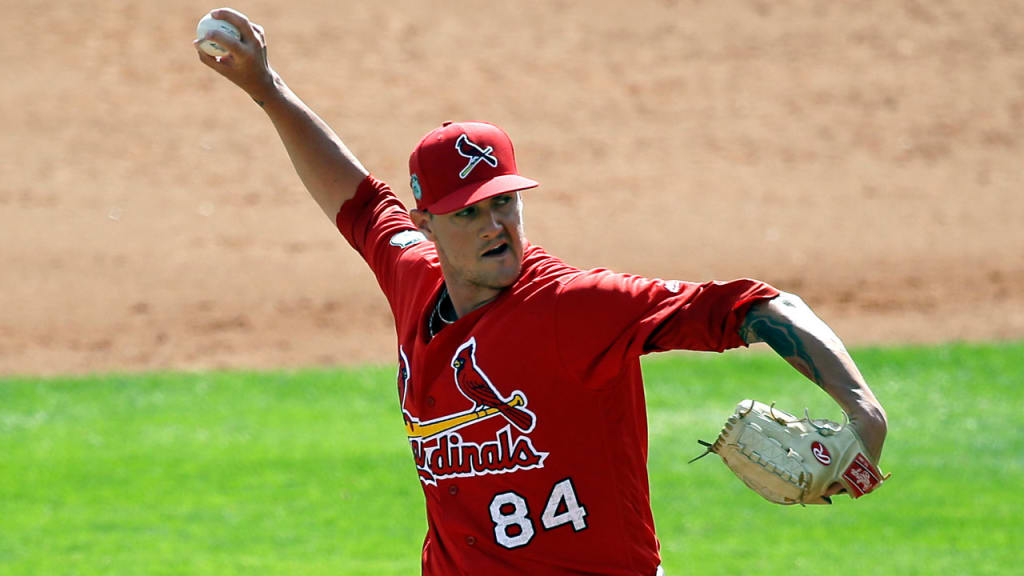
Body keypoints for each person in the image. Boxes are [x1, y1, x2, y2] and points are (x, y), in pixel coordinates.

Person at [195, 9, 888, 575]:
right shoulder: (412, 273)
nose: (495, 225)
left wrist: (862, 410)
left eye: (503, 204)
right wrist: (267, 88)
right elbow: (357, 201)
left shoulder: (573, 308)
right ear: (427, 225)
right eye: (468, 212)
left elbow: (758, 307)